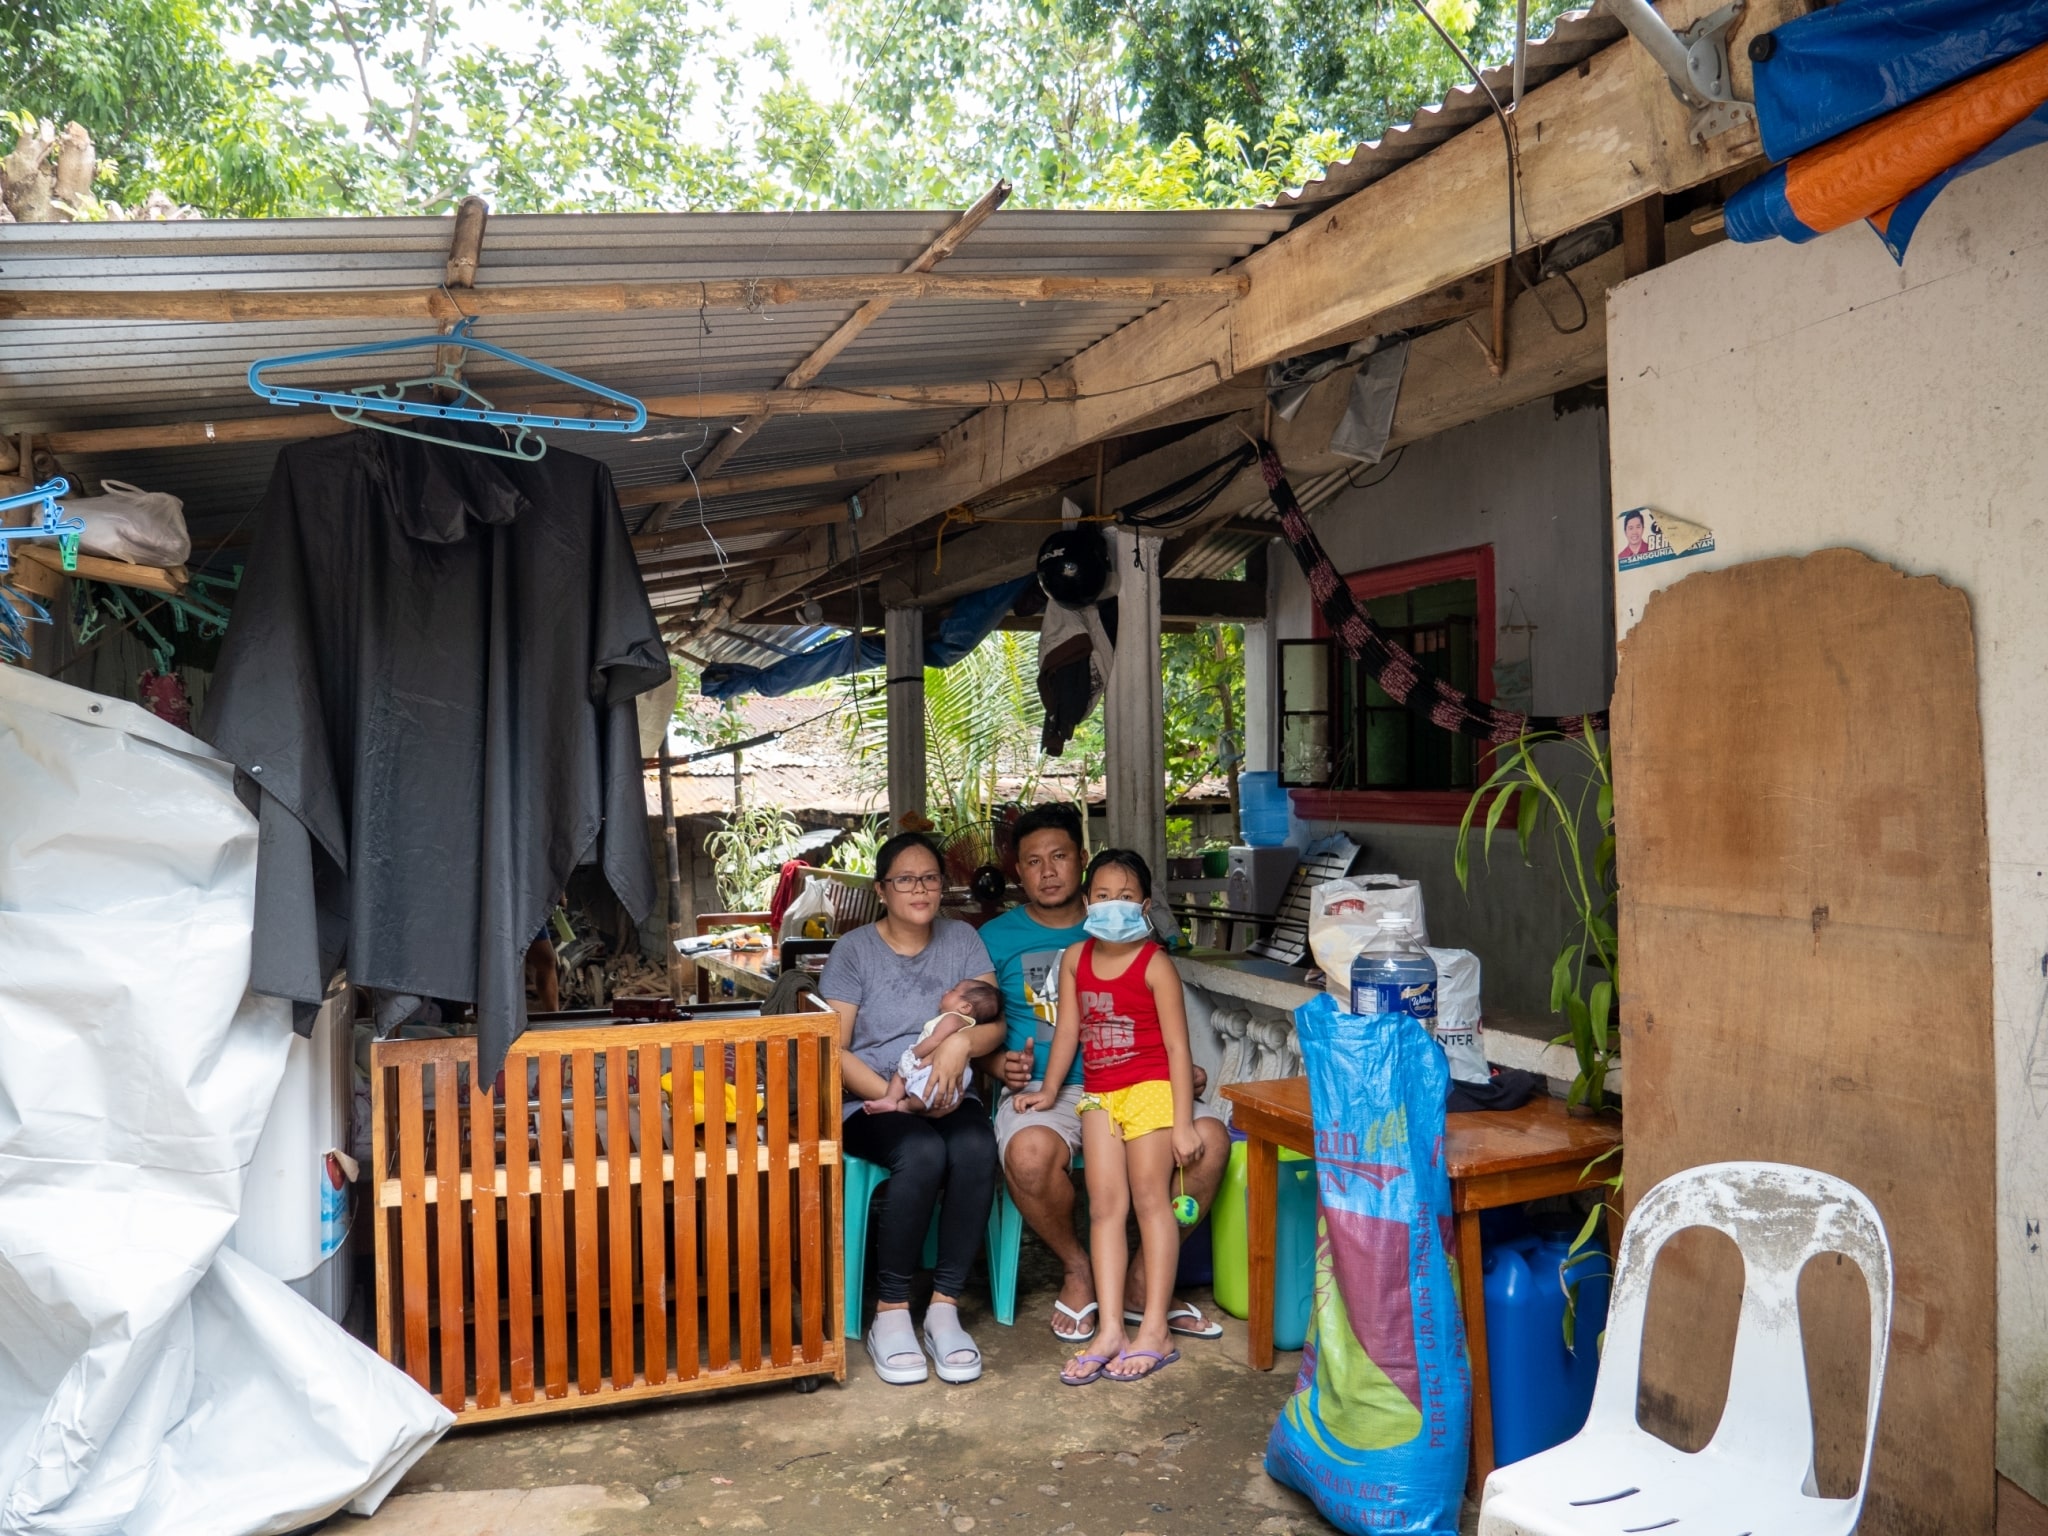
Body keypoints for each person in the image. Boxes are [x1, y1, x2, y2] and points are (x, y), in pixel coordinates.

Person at [980, 804, 1230, 1344]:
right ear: (1017, 871)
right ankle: (1080, 1270)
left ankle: (1144, 1286)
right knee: (1040, 1161)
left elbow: (1169, 1034)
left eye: (1060, 856)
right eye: (1033, 861)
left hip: (1145, 1085)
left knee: (1208, 1141)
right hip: (1074, 1093)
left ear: (1082, 863)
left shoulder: (1147, 954)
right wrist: (1003, 1067)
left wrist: (1179, 1081)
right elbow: (973, 1023)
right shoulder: (999, 940)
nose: (1047, 871)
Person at [819, 832, 1005, 1386]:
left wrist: (956, 1046)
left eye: (930, 878)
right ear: (882, 889)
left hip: (949, 1094)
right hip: (871, 1100)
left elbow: (991, 1021)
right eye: (905, 879)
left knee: (975, 1146)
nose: (919, 889)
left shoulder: (963, 943)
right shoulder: (854, 951)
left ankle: (945, 1308)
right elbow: (835, 1045)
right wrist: (893, 1096)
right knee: (920, 1152)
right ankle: (892, 1313)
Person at [1017, 848, 1199, 1383]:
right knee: (1104, 1209)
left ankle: (1156, 1332)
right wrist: (1049, 1092)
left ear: (1145, 907)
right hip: (1098, 1095)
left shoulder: (1155, 963)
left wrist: (1184, 1122)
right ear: (1086, 901)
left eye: (1124, 898)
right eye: (1101, 896)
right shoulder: (1074, 958)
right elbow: (1068, 1032)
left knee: (1151, 1203)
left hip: (1150, 1092)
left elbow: (1178, 1048)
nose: (1111, 905)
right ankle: (1112, 1328)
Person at [863, 978, 1003, 1114]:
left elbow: (935, 1040)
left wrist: (914, 1053)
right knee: (900, 1076)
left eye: (953, 990)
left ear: (965, 1007)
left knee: (918, 1091)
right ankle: (890, 1099)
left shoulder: (953, 1019)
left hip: (936, 1069)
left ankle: (906, 1106)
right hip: (932, 1068)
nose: (947, 990)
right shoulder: (960, 1021)